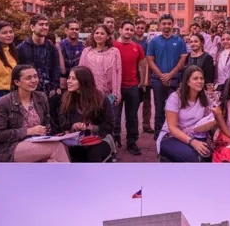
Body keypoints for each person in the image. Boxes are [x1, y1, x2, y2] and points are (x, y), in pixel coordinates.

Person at [0, 64, 69, 162]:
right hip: (10, 148)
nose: (34, 80)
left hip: (36, 143)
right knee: (56, 147)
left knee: (53, 160)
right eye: (28, 78)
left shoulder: (41, 97)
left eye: (35, 76)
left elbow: (46, 123)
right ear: (17, 82)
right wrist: (28, 131)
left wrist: (51, 133)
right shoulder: (4, 102)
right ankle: (70, 176)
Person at [55, 66, 115, 162]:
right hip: (74, 141)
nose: (68, 81)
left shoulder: (101, 99)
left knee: (93, 153)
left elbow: (109, 125)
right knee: (71, 153)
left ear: (83, 81)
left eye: (73, 79)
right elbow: (62, 123)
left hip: (99, 139)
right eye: (69, 78)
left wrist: (91, 127)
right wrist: (73, 126)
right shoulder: (66, 98)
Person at [155, 65, 214, 162]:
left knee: (208, 156)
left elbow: (210, 119)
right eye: (195, 78)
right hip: (171, 137)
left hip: (195, 134)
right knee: (192, 159)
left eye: (201, 78)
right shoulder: (175, 98)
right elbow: (172, 128)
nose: (200, 81)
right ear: (187, 82)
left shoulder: (205, 98)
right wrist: (193, 142)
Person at [147, 14, 189, 136]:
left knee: (174, 109)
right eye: (164, 23)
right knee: (159, 109)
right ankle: (158, 135)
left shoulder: (179, 41)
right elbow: (150, 60)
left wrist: (170, 75)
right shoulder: (154, 41)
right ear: (160, 25)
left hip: (175, 80)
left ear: (172, 24)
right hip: (157, 81)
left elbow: (182, 61)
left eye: (169, 23)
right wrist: (162, 76)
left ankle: (172, 134)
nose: (166, 26)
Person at [79, 24, 122, 138]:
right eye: (96, 33)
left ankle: (109, 147)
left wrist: (116, 93)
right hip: (90, 94)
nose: (99, 35)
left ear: (108, 36)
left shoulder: (114, 52)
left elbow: (118, 73)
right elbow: (80, 72)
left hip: (107, 94)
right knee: (89, 122)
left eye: (102, 33)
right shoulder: (87, 52)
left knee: (107, 122)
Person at [17, 15, 62, 117]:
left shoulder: (52, 47)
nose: (45, 27)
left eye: (46, 25)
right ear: (32, 27)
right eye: (41, 24)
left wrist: (54, 87)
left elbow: (56, 68)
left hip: (49, 93)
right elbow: (18, 71)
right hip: (29, 92)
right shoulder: (21, 48)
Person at [114, 20, 147, 156]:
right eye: (126, 29)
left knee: (132, 117)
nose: (129, 32)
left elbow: (143, 65)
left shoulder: (137, 47)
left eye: (131, 30)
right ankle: (114, 141)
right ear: (120, 30)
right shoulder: (113, 46)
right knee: (115, 116)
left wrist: (143, 82)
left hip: (132, 86)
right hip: (116, 87)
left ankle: (131, 142)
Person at [0, 20, 18, 104]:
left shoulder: (13, 52)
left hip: (14, 92)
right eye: (4, 33)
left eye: (11, 32)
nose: (9, 35)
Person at [59, 19, 85, 93]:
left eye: (76, 29)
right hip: (64, 85)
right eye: (72, 29)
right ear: (66, 30)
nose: (74, 31)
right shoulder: (60, 46)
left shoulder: (83, 46)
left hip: (79, 85)